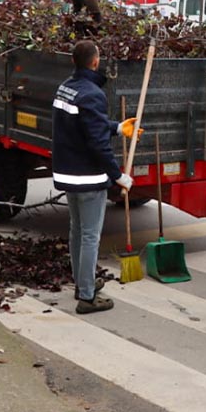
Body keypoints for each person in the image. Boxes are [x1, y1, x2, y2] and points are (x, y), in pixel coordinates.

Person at [51, 39, 138, 313]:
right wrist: (119, 176)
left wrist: (117, 127)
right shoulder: (92, 95)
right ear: (95, 62)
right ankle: (87, 297)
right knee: (90, 236)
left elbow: (88, 127)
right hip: (88, 177)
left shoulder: (65, 88)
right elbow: (97, 144)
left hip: (68, 175)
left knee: (77, 231)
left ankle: (82, 282)